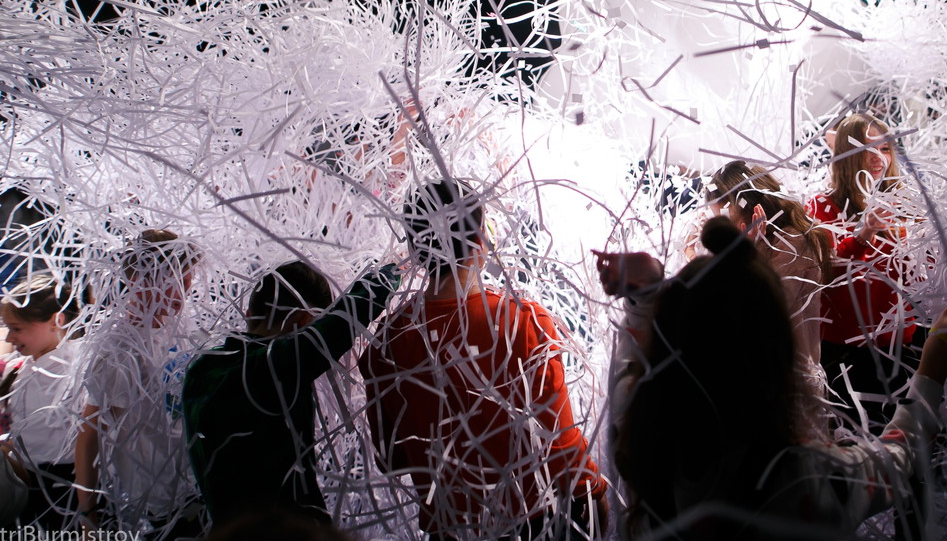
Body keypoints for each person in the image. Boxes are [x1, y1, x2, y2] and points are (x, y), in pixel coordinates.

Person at [600, 216, 947, 540]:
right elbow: (900, 457)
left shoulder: (645, 446)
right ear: (774, 355)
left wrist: (646, 298)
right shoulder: (797, 482)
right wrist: (938, 355)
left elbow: (640, 362)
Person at [360, 179, 609, 541]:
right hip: (531, 526)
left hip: (450, 531)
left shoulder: (388, 342)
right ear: (481, 240)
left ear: (416, 248)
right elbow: (558, 442)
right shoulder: (523, 322)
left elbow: (391, 459)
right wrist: (594, 490)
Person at [182, 258, 401, 526]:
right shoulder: (268, 369)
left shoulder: (201, 369)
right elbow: (342, 322)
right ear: (303, 321)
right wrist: (392, 271)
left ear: (249, 312)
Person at [75, 228, 203, 536]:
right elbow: (88, 436)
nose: (184, 292)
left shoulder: (180, 328)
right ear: (140, 282)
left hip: (196, 489)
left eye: (187, 281)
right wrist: (88, 517)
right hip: (158, 505)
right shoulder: (119, 350)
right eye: (176, 282)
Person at [810, 113, 922, 429]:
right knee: (859, 438)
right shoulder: (821, 206)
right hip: (847, 351)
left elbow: (914, 277)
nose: (878, 158)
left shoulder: (904, 203)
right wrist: (863, 234)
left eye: (885, 149)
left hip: (899, 344)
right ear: (847, 155)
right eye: (867, 149)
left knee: (909, 439)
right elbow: (823, 275)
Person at [706, 161, 833, 439]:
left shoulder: (793, 241)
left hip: (792, 385)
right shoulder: (753, 242)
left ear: (749, 204)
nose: (724, 227)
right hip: (760, 380)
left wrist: (747, 256)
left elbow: (769, 310)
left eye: (725, 216)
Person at [0, 273, 84, 529]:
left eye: (17, 329)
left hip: (63, 490)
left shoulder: (78, 370)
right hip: (29, 482)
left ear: (57, 320)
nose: (9, 338)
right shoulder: (22, 367)